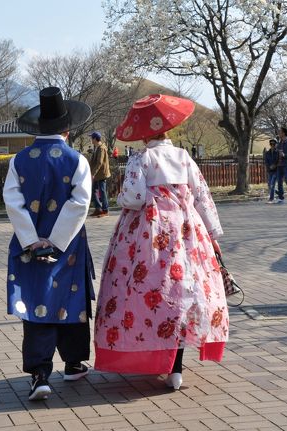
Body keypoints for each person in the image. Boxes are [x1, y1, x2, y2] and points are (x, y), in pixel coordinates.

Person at [93, 94, 229, 391]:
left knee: (150, 290)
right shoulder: (184, 156)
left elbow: (135, 197)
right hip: (186, 230)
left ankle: (157, 357)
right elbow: (203, 197)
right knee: (184, 290)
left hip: (149, 233)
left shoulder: (141, 159)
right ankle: (176, 365)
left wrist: (121, 197)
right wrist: (213, 235)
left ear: (143, 134)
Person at [3, 87, 95, 401]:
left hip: (29, 247)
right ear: (67, 128)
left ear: (39, 126)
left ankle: (40, 375)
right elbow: (80, 203)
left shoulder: (19, 159)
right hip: (67, 247)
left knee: (35, 302)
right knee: (71, 301)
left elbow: (13, 202)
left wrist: (32, 241)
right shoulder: (77, 159)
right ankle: (72, 364)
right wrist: (56, 241)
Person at [88, 131, 111, 217]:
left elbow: (99, 163)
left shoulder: (101, 148)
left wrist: (93, 174)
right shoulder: (97, 147)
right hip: (98, 174)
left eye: (92, 138)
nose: (91, 140)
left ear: (95, 139)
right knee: (93, 191)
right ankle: (98, 209)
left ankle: (105, 210)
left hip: (101, 174)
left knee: (102, 191)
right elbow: (93, 161)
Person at [264, 139, 279, 203]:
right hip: (270, 171)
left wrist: (275, 165)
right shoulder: (267, 153)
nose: (272, 145)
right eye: (271, 144)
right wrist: (269, 167)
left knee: (272, 184)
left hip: (276, 171)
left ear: (276, 144)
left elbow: (279, 161)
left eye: (274, 144)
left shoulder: (278, 152)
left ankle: (271, 199)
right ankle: (280, 193)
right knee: (270, 185)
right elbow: (266, 162)